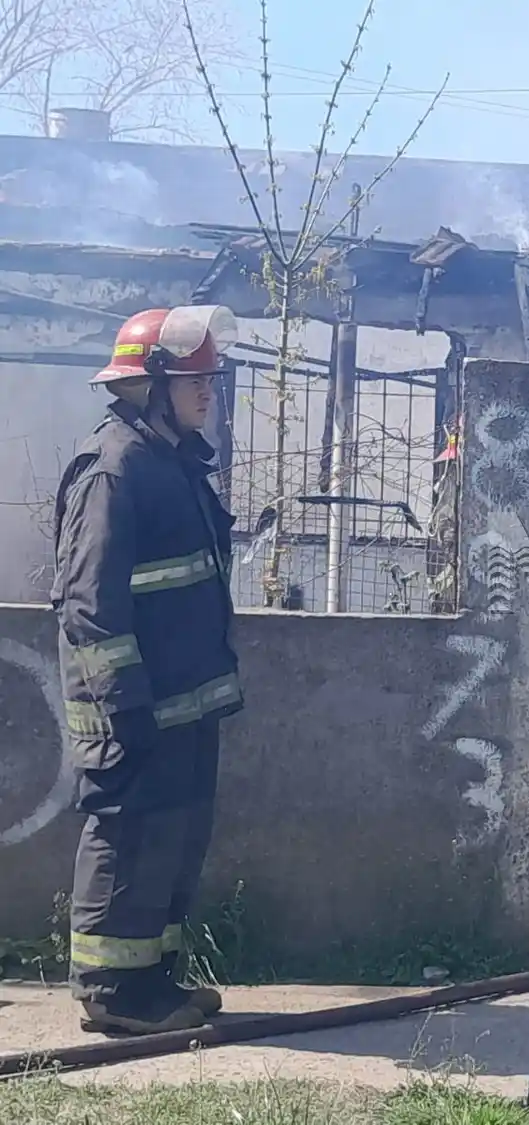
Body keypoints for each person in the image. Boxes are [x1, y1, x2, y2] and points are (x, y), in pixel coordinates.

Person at [52, 305, 244, 1035]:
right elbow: (88, 602)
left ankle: (153, 978)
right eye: (196, 380)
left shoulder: (169, 460)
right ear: (149, 386)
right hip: (136, 708)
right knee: (128, 837)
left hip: (182, 704)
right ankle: (112, 991)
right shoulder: (114, 468)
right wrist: (123, 703)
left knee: (173, 840)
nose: (208, 392)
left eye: (210, 379)